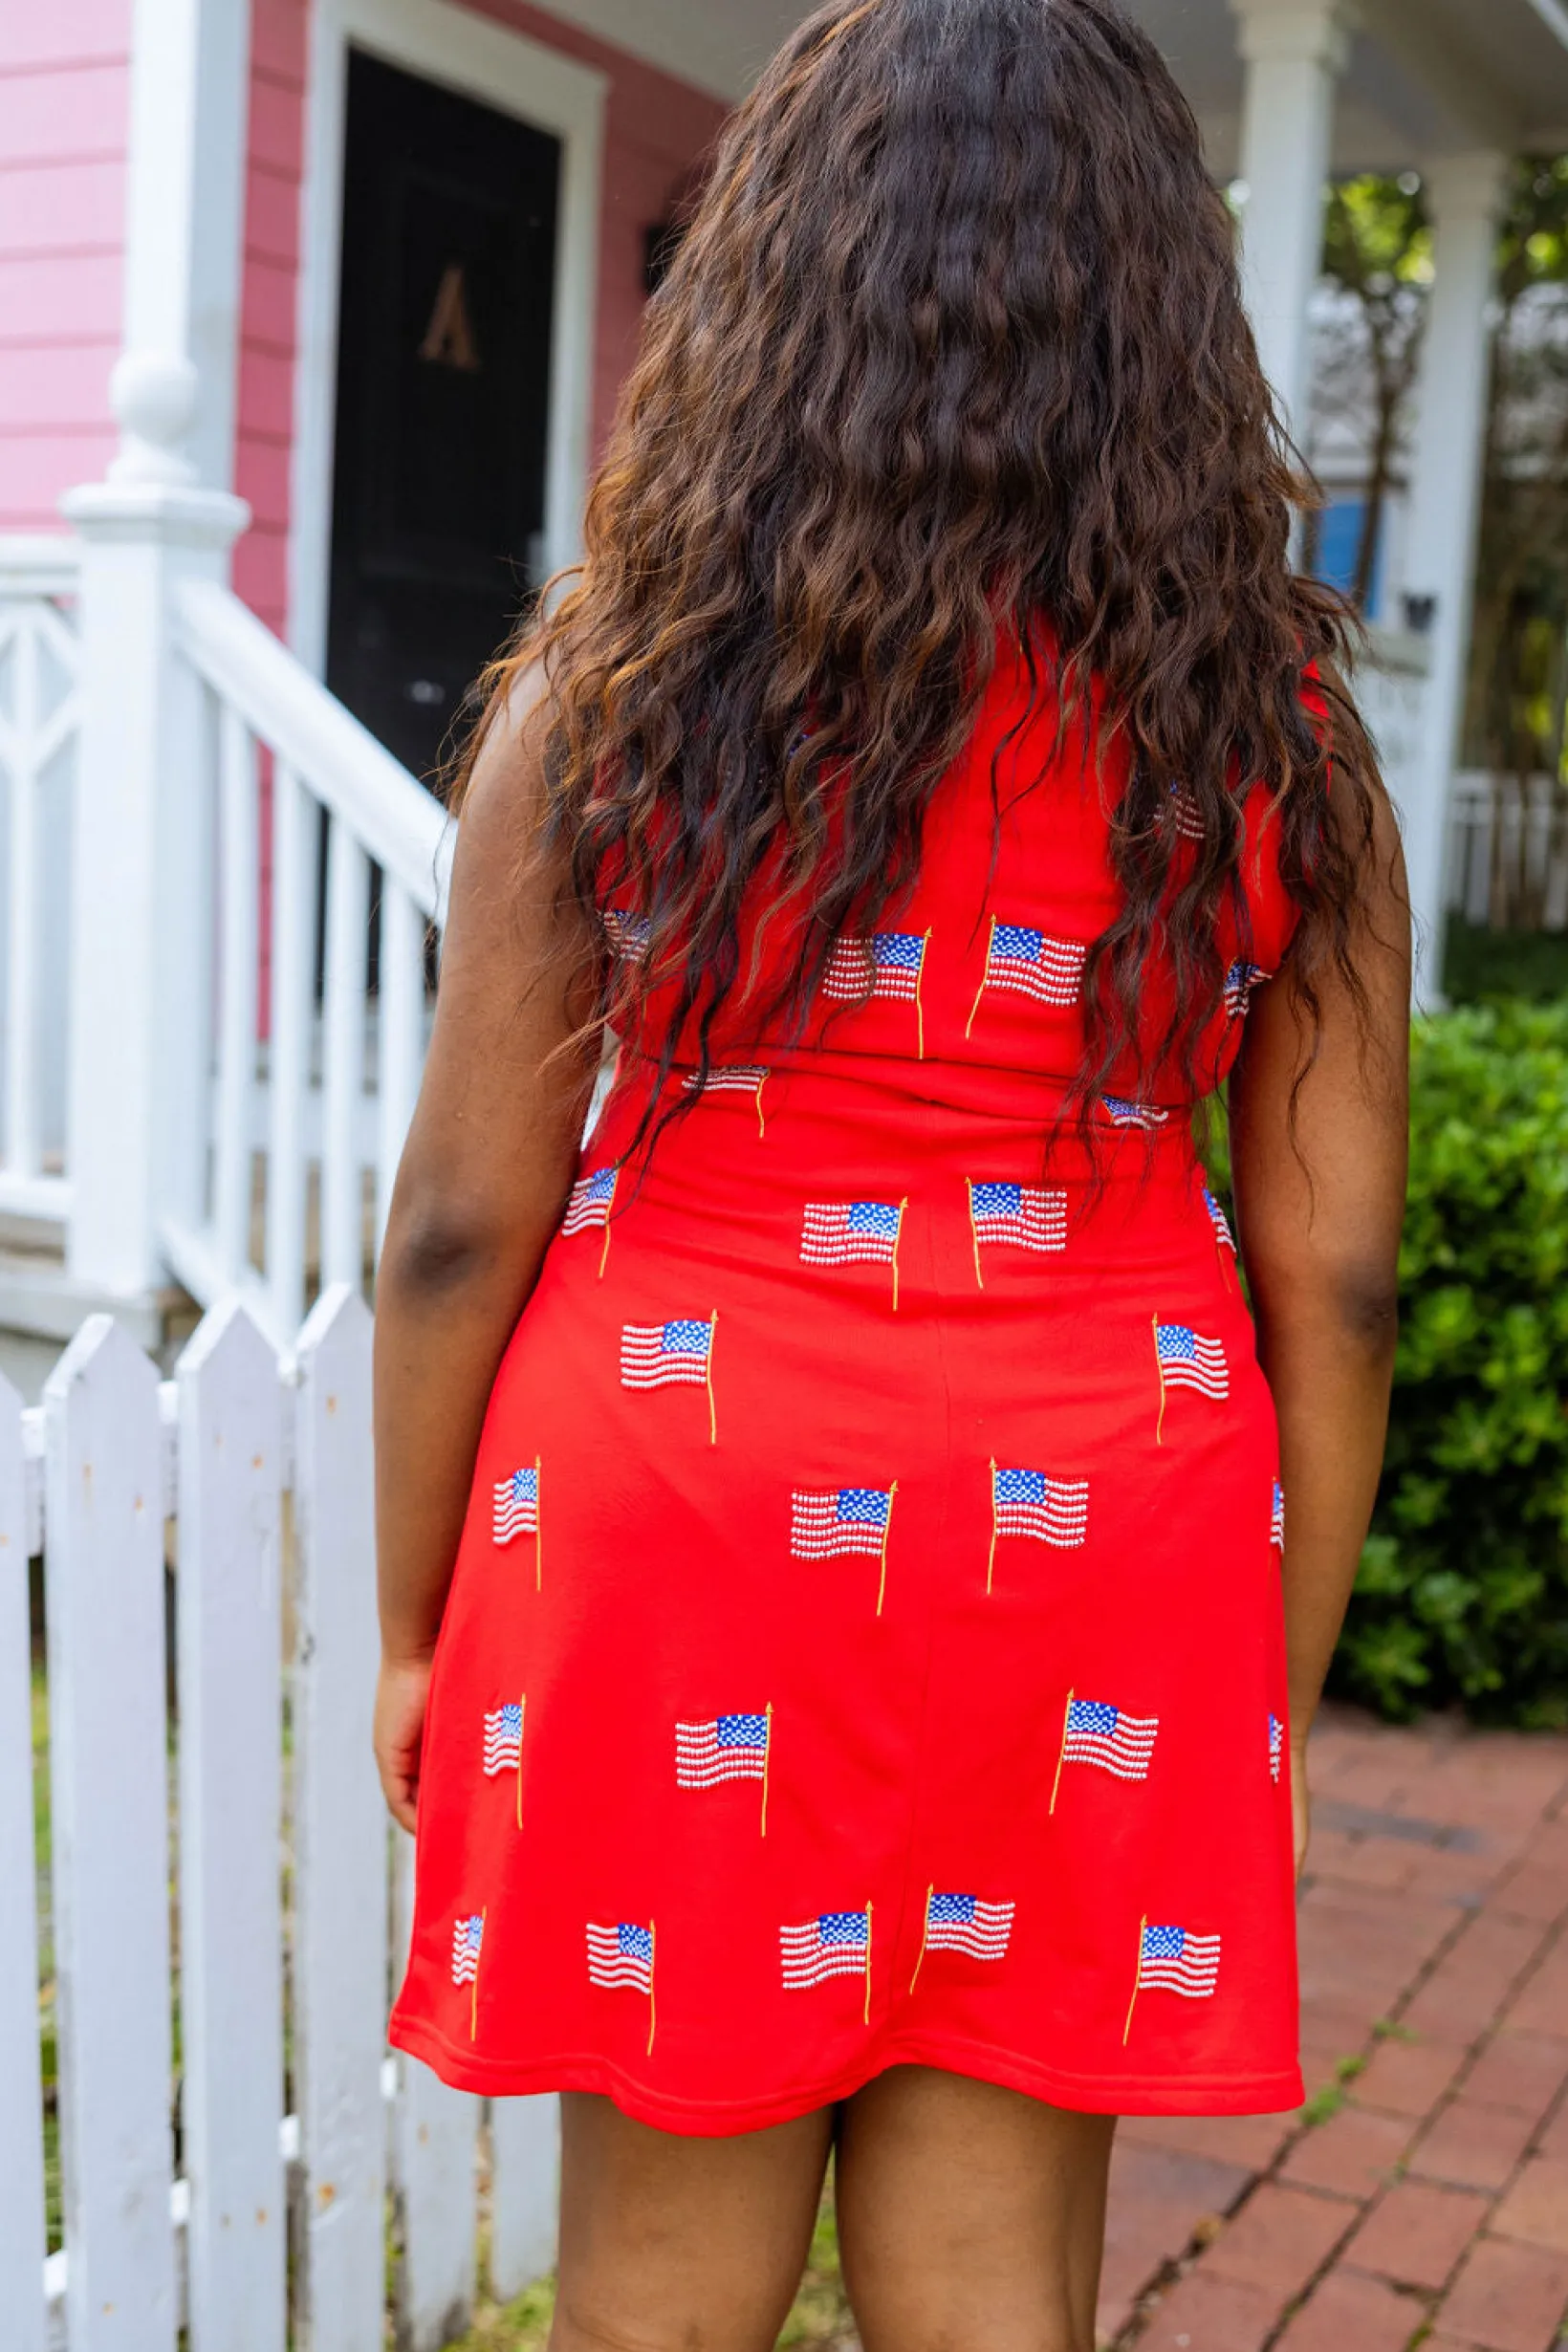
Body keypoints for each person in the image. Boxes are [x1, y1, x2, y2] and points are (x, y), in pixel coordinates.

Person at [373, 2, 1410, 2343]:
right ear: (1162, 305)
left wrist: (428, 1621)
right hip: (1095, 1545)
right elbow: (1331, 1283)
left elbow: (455, 1221)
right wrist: (1267, 1685)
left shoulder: (611, 693)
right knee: (992, 2303)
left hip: (676, 1509)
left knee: (654, 2300)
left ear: (770, 280)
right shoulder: (1275, 733)